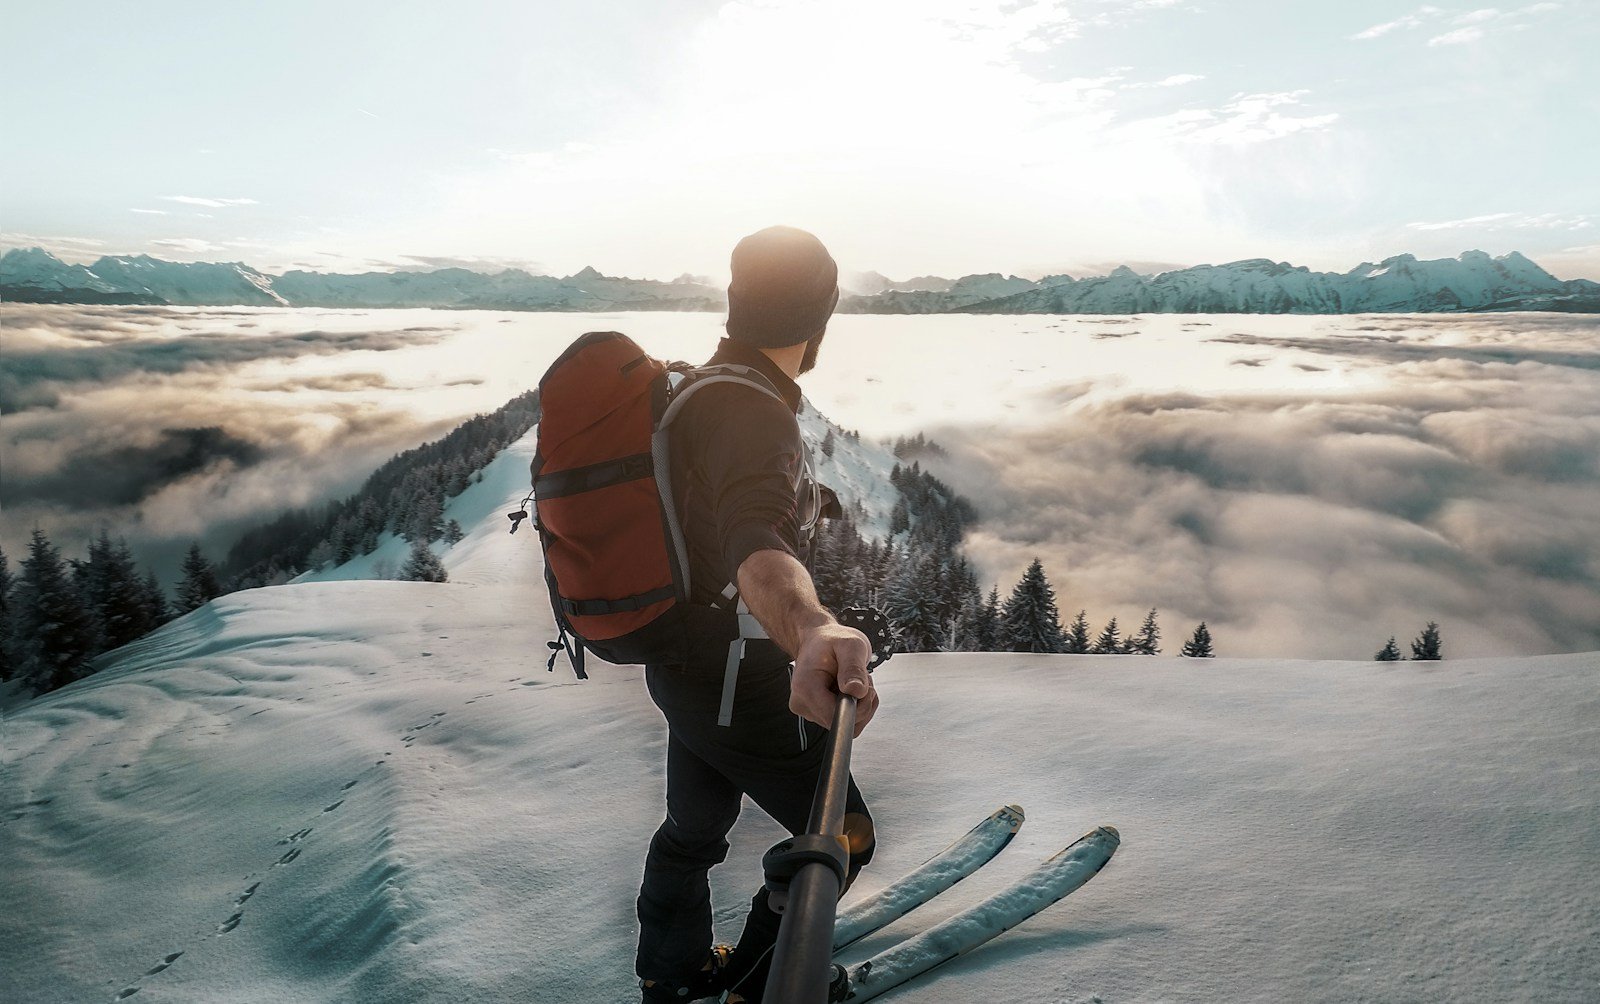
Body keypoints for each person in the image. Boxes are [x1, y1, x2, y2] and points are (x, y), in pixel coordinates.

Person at [635, 226, 880, 1003]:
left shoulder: (698, 389)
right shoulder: (752, 412)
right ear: (820, 319)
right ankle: (759, 981)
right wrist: (810, 625)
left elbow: (723, 518)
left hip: (683, 666)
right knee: (842, 835)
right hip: (739, 682)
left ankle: (672, 980)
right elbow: (751, 537)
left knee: (693, 831)